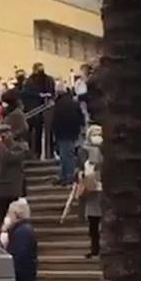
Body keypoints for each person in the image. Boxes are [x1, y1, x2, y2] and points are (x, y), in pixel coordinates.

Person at [0, 124, 29, 227]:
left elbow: (9, 158)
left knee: (14, 217)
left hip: (12, 188)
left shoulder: (19, 147)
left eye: (3, 135)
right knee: (1, 216)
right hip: (0, 188)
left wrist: (1, 146)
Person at [21, 63, 56, 159]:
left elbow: (52, 91)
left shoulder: (46, 80)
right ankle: (34, 153)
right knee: (33, 132)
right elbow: (25, 93)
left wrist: (48, 95)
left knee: (41, 132)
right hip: (33, 109)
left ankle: (41, 153)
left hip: (44, 108)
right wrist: (39, 95)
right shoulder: (29, 81)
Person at [79, 125, 104, 259]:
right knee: (93, 224)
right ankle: (94, 248)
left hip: (102, 189)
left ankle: (103, 247)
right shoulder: (84, 151)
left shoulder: (105, 151)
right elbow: (81, 167)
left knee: (103, 222)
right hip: (90, 190)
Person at [51, 88, 84, 187]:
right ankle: (66, 176)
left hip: (62, 133)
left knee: (65, 156)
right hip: (72, 132)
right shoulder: (74, 103)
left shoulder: (58, 105)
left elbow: (55, 121)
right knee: (68, 155)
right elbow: (80, 117)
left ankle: (67, 177)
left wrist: (55, 134)